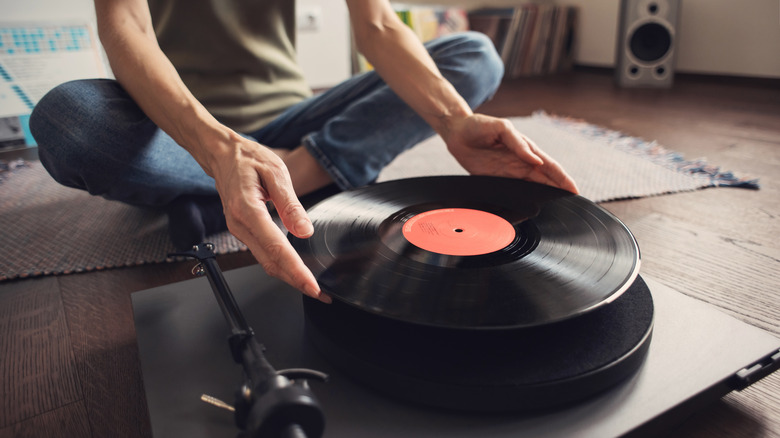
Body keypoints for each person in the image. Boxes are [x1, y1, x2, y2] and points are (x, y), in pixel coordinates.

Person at [30, 0, 578, 304]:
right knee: (67, 120)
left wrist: (454, 121)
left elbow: (380, 24)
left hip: (296, 120)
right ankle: (271, 178)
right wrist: (220, 147)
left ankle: (267, 180)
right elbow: (127, 29)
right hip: (184, 128)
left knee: (473, 53)